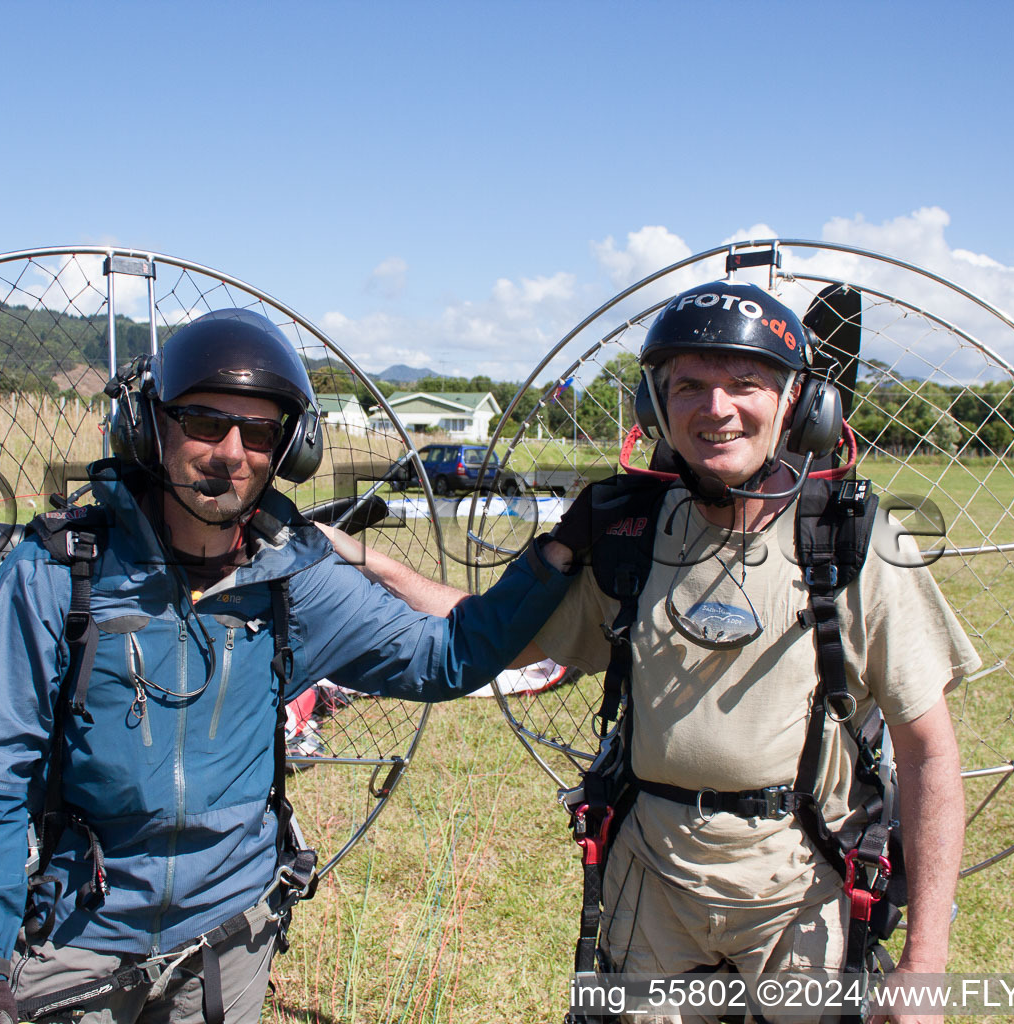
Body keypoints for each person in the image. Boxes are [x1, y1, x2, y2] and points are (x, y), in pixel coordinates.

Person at [334, 282, 977, 1024]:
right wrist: (369, 564)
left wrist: (925, 960)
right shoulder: (631, 538)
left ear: (800, 405)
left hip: (803, 890)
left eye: (746, 384)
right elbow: (492, 637)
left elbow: (929, 752)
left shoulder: (852, 544)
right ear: (655, 408)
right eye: (690, 387)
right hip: (651, 889)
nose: (717, 408)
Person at [0, 308, 575, 1024]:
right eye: (203, 422)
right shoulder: (58, 572)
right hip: (80, 935)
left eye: (258, 433)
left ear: (285, 452)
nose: (230, 453)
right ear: (150, 428)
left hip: (231, 940)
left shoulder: (296, 579)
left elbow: (448, 657)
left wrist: (556, 556)